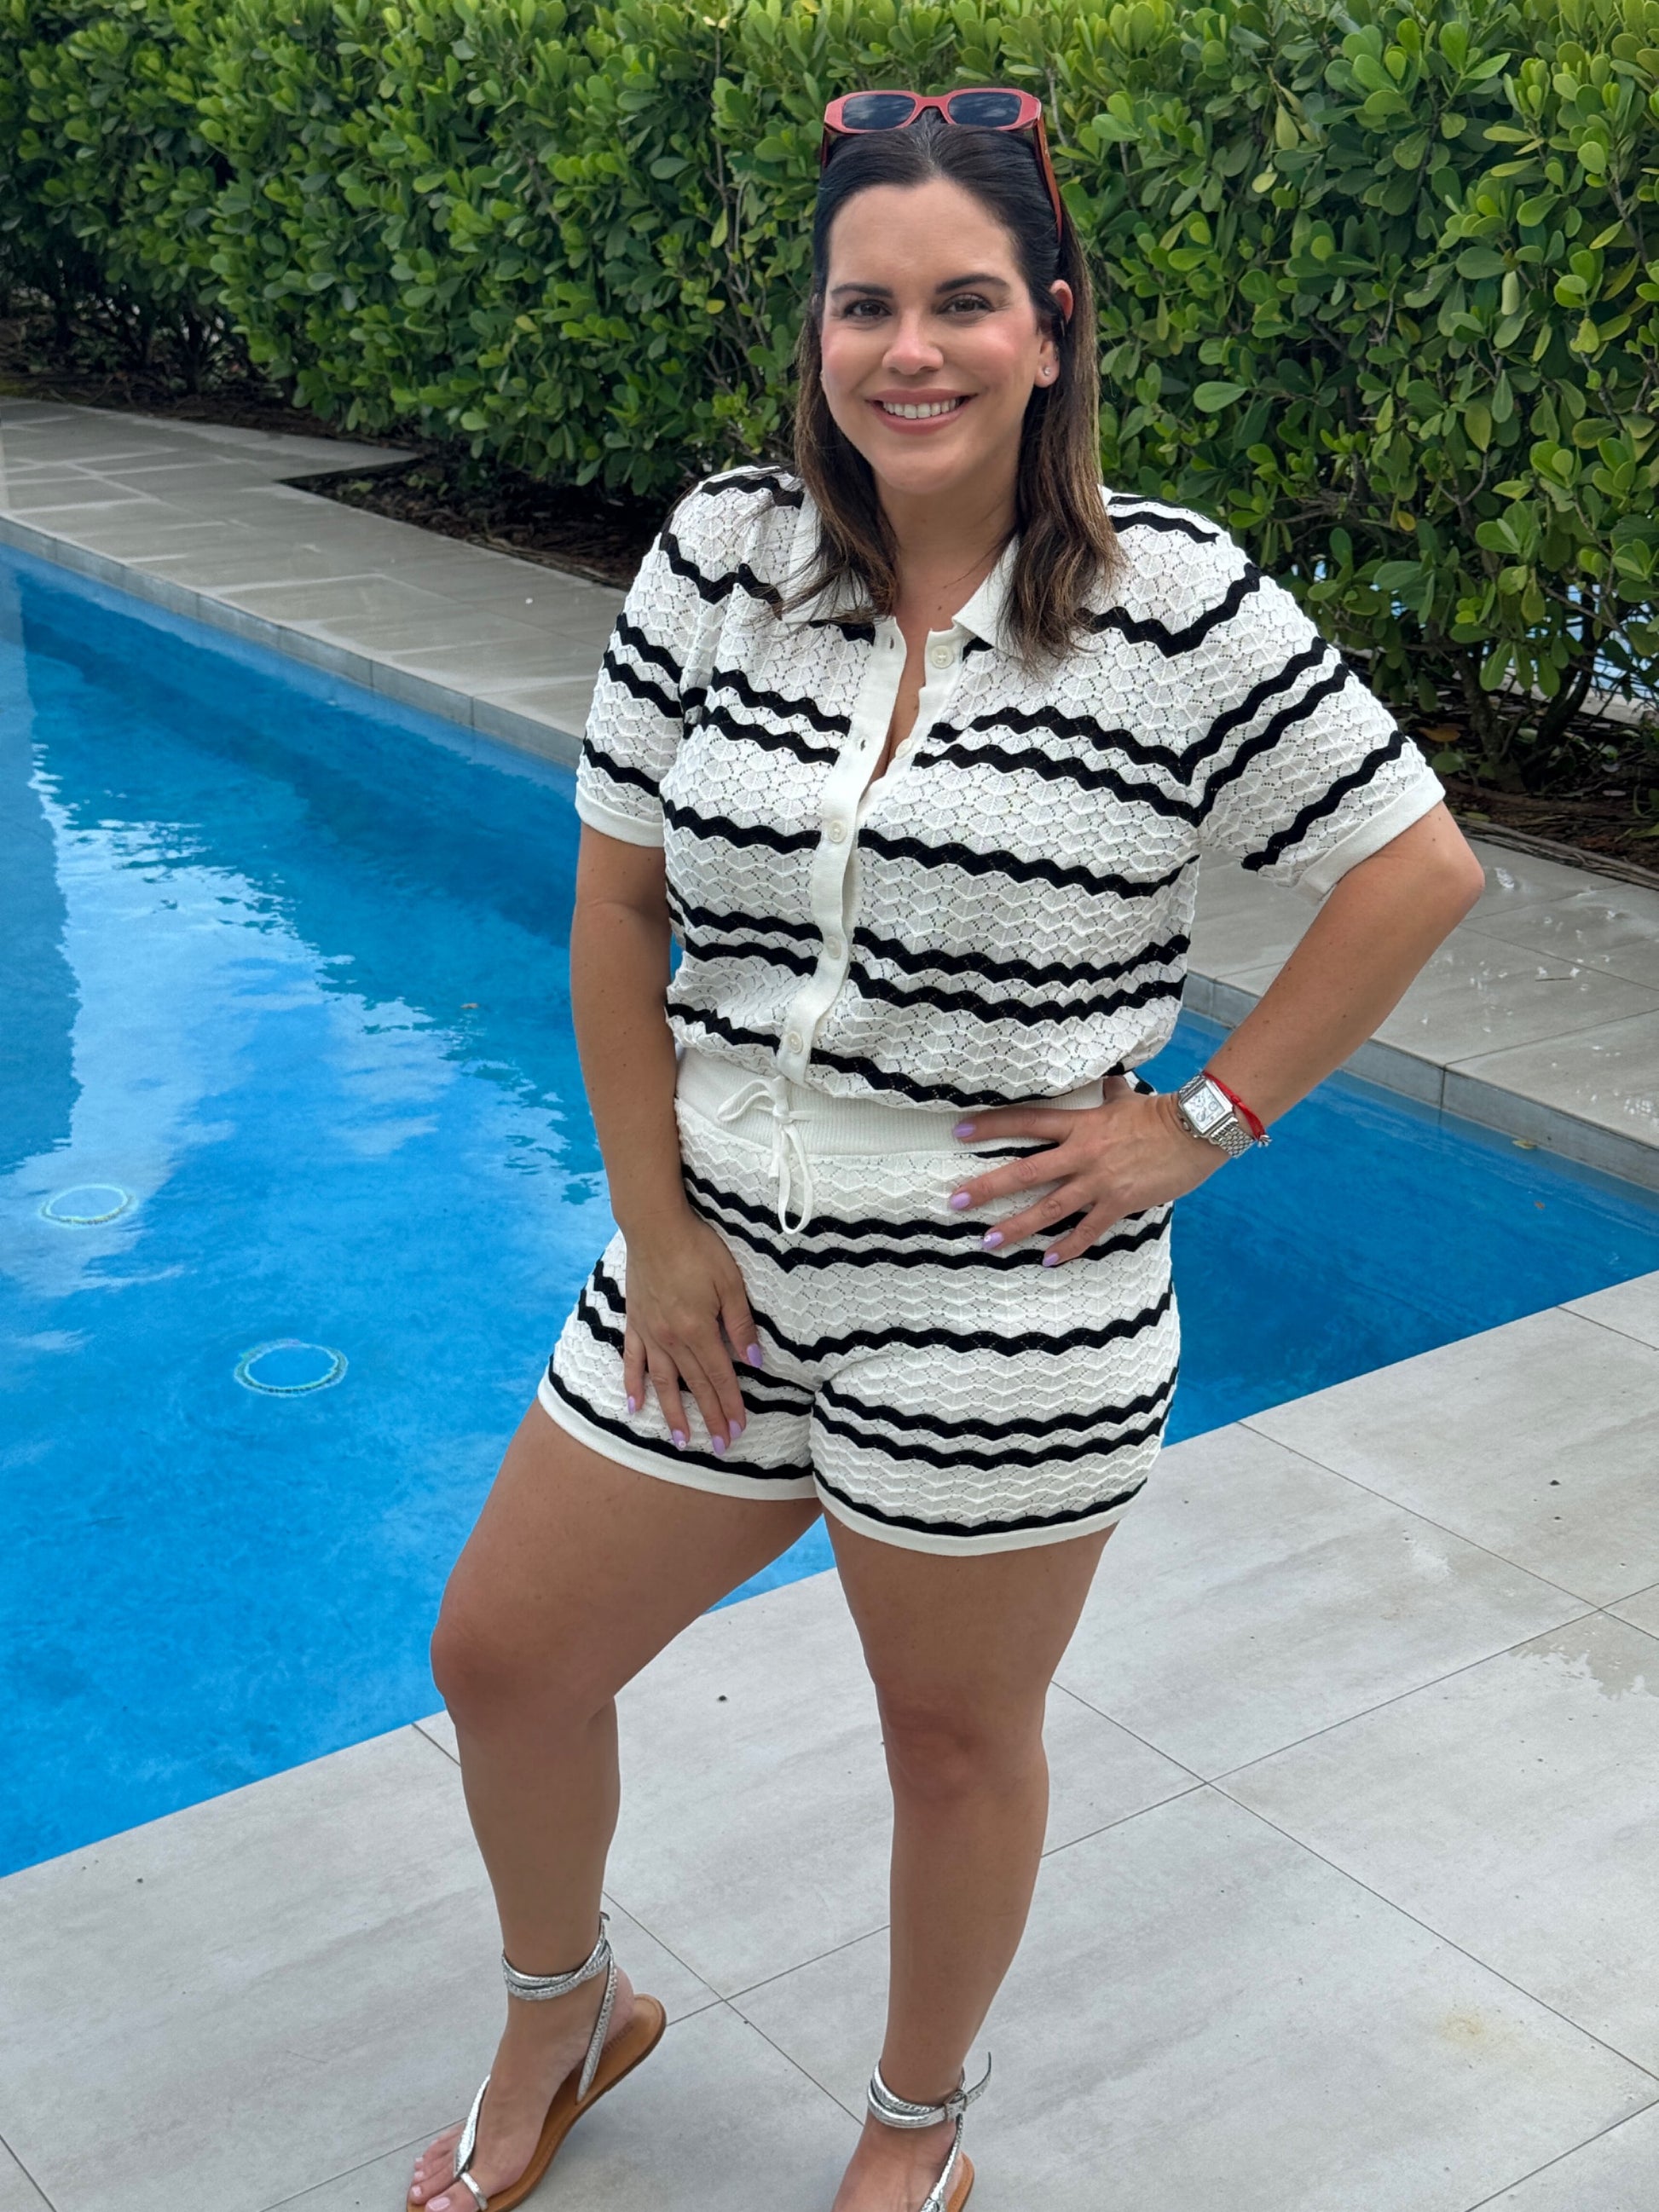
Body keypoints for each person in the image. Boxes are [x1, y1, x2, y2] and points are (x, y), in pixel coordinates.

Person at [407, 87, 1486, 2212]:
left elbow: (1418, 865)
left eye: (964, 303)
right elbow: (618, 907)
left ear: (1051, 326)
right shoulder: (722, 558)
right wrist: (658, 1220)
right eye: (865, 305)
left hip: (1005, 1299)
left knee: (950, 1743)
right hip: (713, 1248)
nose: (912, 349)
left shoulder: (1173, 603)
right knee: (503, 1653)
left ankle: (912, 2133)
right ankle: (567, 2003)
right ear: (816, 333)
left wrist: (1200, 1122)